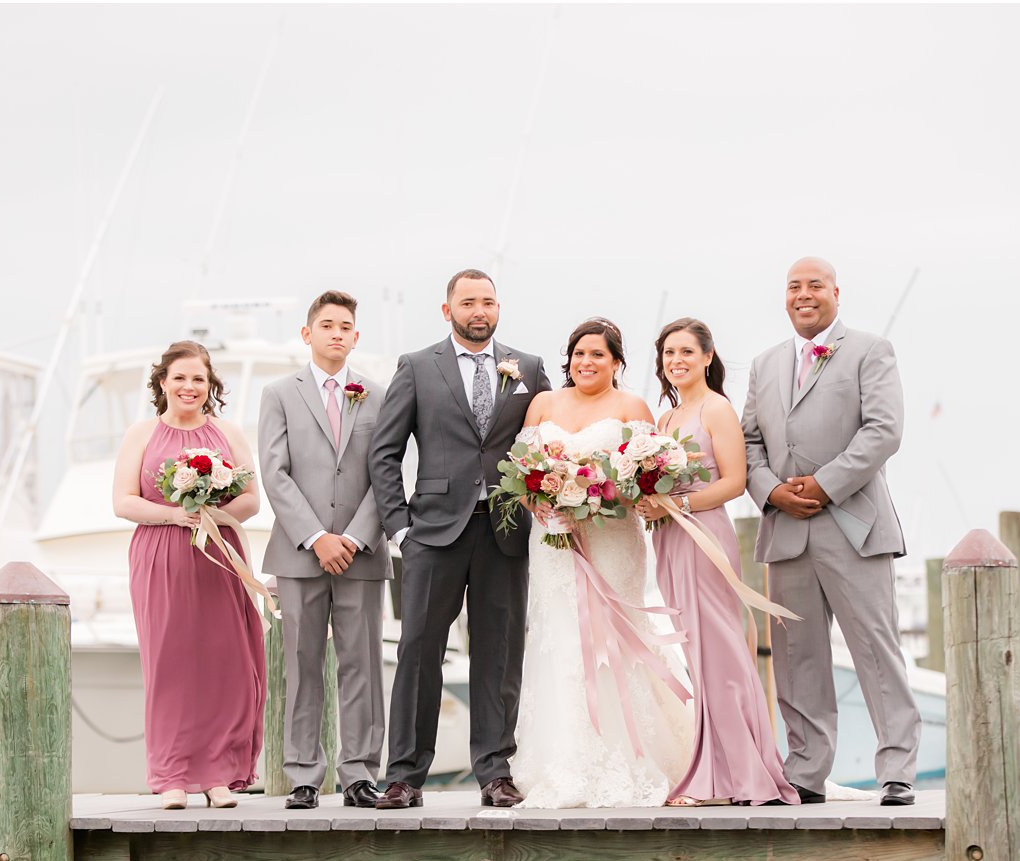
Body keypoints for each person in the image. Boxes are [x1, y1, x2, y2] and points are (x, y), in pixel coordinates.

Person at [368, 269, 550, 809]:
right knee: (419, 651)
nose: (480, 311)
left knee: (499, 654)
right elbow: (385, 453)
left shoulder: (530, 369)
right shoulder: (418, 367)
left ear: (499, 309)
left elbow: (546, 444)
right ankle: (404, 777)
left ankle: (494, 772)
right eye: (468, 302)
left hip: (505, 531)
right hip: (432, 532)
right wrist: (399, 526)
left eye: (488, 302)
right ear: (447, 310)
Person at [740, 257, 919, 806]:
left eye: (814, 285)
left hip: (853, 524)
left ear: (836, 293)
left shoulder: (870, 351)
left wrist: (824, 484)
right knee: (797, 658)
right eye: (793, 286)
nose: (803, 294)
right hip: (787, 529)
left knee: (875, 647)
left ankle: (897, 771)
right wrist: (771, 491)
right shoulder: (764, 364)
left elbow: (884, 430)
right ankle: (806, 772)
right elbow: (749, 442)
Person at [508, 317, 694, 809]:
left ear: (616, 362)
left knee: (615, 640)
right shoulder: (543, 404)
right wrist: (545, 505)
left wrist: (598, 499)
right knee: (561, 638)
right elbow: (523, 475)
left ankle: (627, 755)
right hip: (554, 542)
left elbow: (648, 478)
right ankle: (563, 762)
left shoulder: (631, 407)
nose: (586, 363)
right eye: (578, 354)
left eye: (598, 355)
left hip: (612, 540)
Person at [637, 318, 798, 807]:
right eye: (668, 353)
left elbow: (733, 481)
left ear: (708, 356)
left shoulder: (717, 408)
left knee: (722, 651)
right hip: (669, 541)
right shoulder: (664, 421)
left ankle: (742, 775)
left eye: (686, 351)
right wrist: (645, 502)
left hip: (705, 538)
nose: (676, 361)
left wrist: (679, 505)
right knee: (698, 655)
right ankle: (715, 771)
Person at [113, 340, 267, 809]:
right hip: (161, 554)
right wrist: (176, 516)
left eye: (198, 378)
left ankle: (218, 775)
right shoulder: (141, 433)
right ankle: (172, 775)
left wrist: (211, 515)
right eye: (179, 377)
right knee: (170, 664)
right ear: (163, 382)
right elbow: (123, 502)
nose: (189, 386)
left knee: (224, 662)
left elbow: (251, 500)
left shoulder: (228, 432)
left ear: (209, 384)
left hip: (219, 554)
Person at [258, 291, 391, 810]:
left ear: (356, 338)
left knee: (362, 664)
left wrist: (355, 537)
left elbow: (386, 474)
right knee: (302, 662)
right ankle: (303, 775)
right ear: (307, 333)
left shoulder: (377, 395)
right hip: (299, 552)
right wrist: (317, 537)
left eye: (346, 326)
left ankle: (359, 772)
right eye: (327, 324)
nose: (337, 333)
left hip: (360, 553)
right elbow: (274, 472)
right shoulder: (278, 394)